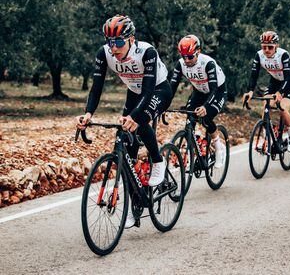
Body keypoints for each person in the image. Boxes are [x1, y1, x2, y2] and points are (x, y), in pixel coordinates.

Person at [75, 15, 172, 228]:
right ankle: (133, 204)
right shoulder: (105, 53)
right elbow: (96, 87)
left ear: (131, 39)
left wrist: (135, 117)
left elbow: (147, 91)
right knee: (127, 150)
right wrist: (88, 114)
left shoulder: (147, 52)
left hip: (157, 90)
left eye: (119, 42)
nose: (114, 48)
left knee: (139, 121)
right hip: (134, 92)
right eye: (110, 42)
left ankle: (158, 161)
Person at [170, 34, 227, 168]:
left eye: (190, 56)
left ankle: (219, 148)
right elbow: (172, 87)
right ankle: (195, 149)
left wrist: (206, 106)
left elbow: (213, 89)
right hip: (199, 92)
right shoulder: (181, 64)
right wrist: (164, 104)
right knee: (190, 118)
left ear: (198, 51)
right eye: (184, 57)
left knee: (206, 118)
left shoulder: (208, 63)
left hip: (217, 92)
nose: (187, 60)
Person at [242, 30, 290, 152]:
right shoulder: (259, 55)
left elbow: (288, 77)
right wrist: (250, 91)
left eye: (270, 47)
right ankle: (267, 135)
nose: (267, 50)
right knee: (266, 104)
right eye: (264, 47)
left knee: (281, 107)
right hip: (275, 81)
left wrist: (280, 92)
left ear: (276, 46)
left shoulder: (283, 55)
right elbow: (254, 75)